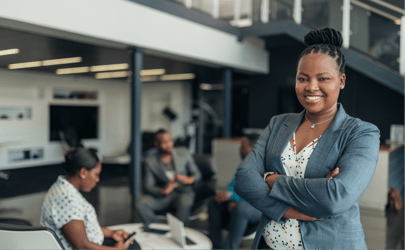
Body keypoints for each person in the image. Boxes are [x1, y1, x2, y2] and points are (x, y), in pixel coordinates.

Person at [234, 28, 380, 249]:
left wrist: (272, 180)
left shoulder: (361, 133)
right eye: (303, 78)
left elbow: (336, 198)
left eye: (323, 78)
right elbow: (243, 179)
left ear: (341, 81)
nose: (311, 87)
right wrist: (289, 209)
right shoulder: (277, 124)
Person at [40, 147, 136, 250]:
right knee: (133, 247)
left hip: (89, 243)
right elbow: (82, 246)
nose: (97, 179)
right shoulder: (67, 199)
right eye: (96, 174)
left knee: (129, 244)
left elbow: (81, 228)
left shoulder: (62, 186)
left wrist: (111, 233)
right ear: (83, 173)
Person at [135, 129, 201, 226]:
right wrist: (163, 191)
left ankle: (178, 232)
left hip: (184, 192)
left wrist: (189, 179)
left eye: (170, 140)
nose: (169, 144)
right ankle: (159, 230)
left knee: (184, 204)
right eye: (165, 142)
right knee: (140, 203)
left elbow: (197, 174)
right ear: (156, 144)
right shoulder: (150, 161)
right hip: (165, 196)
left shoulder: (184, 153)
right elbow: (148, 186)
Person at [208, 134, 262, 249]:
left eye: (243, 146)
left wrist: (233, 197)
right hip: (240, 202)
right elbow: (231, 186)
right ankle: (216, 245)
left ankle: (230, 247)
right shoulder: (242, 165)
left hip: (258, 208)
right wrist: (229, 197)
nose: (240, 150)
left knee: (241, 208)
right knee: (213, 202)